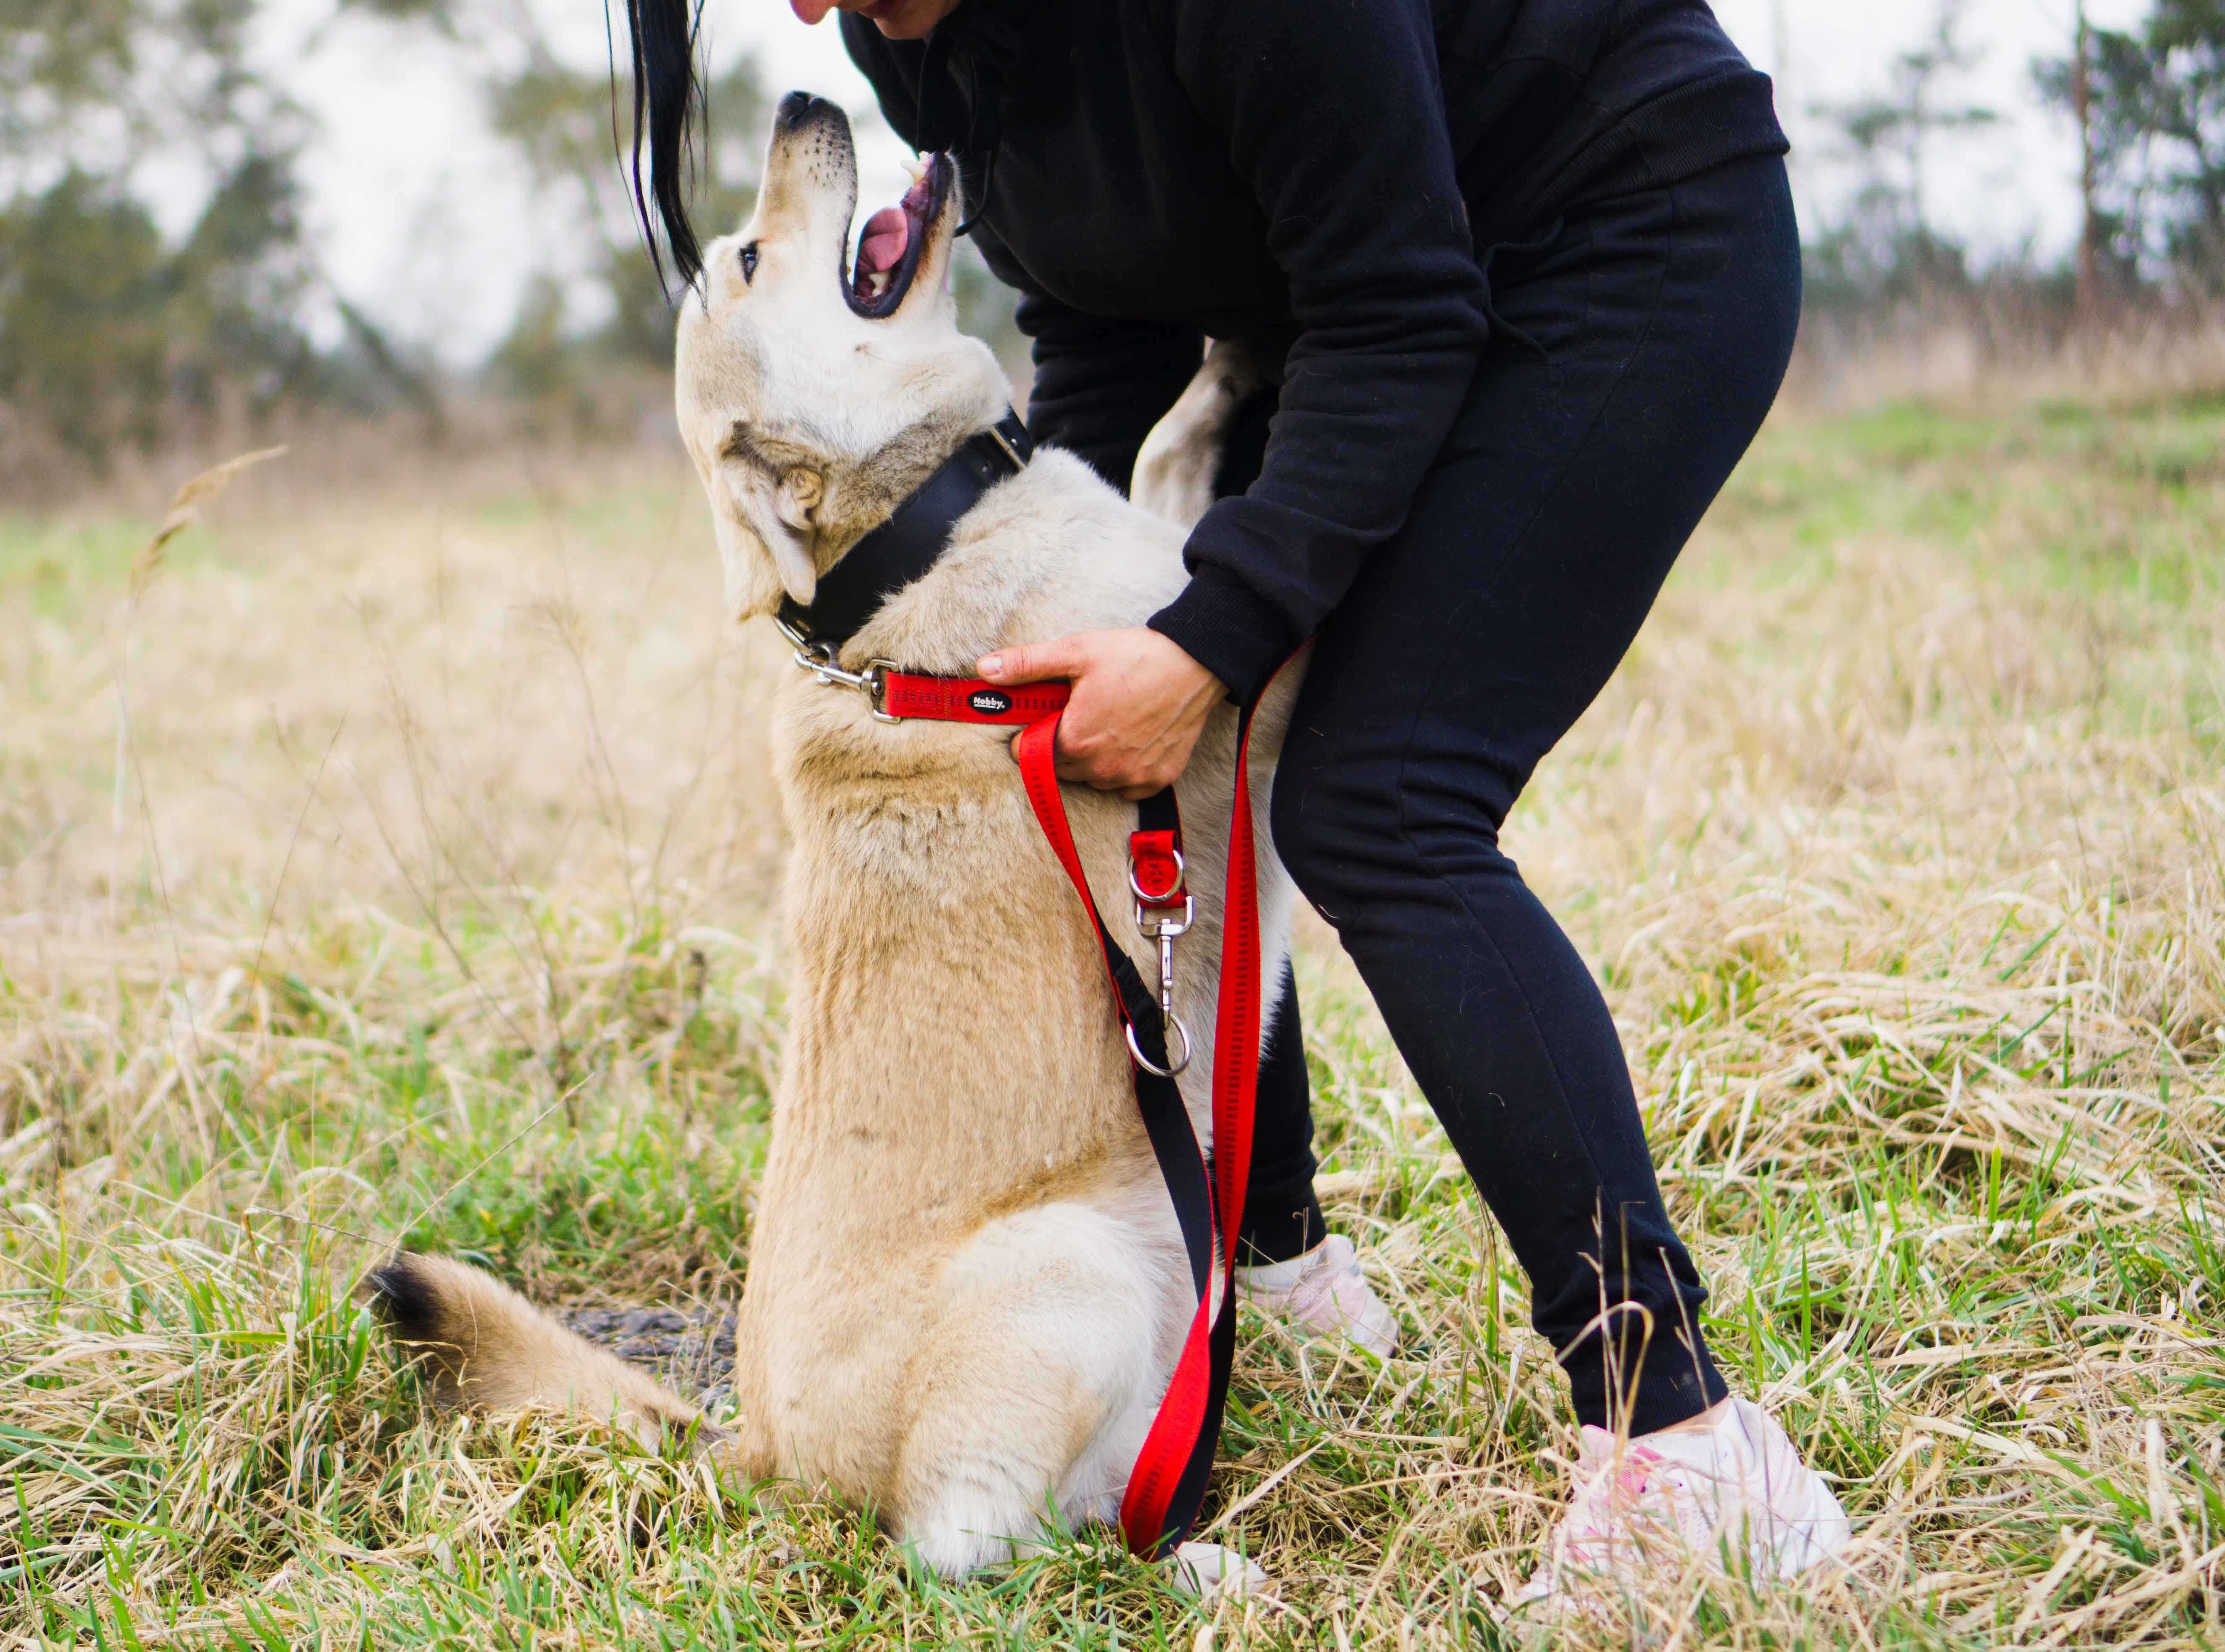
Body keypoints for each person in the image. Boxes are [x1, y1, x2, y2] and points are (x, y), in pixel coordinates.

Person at [623, 0, 1852, 1609]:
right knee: (1157, 770)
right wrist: (1052, 627)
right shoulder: (906, 25)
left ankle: (1685, 1445)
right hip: (1336, 303)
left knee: (1382, 798)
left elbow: (1405, 306)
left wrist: (1206, 634)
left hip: (1610, 232)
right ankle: (1267, 1263)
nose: (813, 12)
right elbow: (1104, 309)